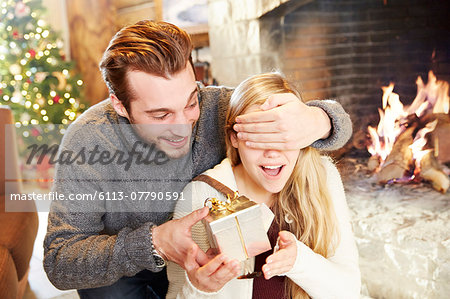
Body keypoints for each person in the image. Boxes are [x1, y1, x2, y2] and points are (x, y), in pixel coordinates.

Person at [43, 21, 353, 299]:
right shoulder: (88, 140)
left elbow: (338, 127)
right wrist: (155, 242)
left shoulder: (219, 108)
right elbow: (59, 260)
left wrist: (317, 119)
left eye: (190, 102)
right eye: (160, 114)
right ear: (120, 105)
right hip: (120, 274)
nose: (182, 127)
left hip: (206, 269)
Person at [167, 72, 360, 299]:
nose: (272, 153)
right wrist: (200, 288)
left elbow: (349, 291)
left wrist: (299, 261)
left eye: (281, 136)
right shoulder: (202, 196)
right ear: (234, 138)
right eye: (258, 137)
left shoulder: (322, 177)